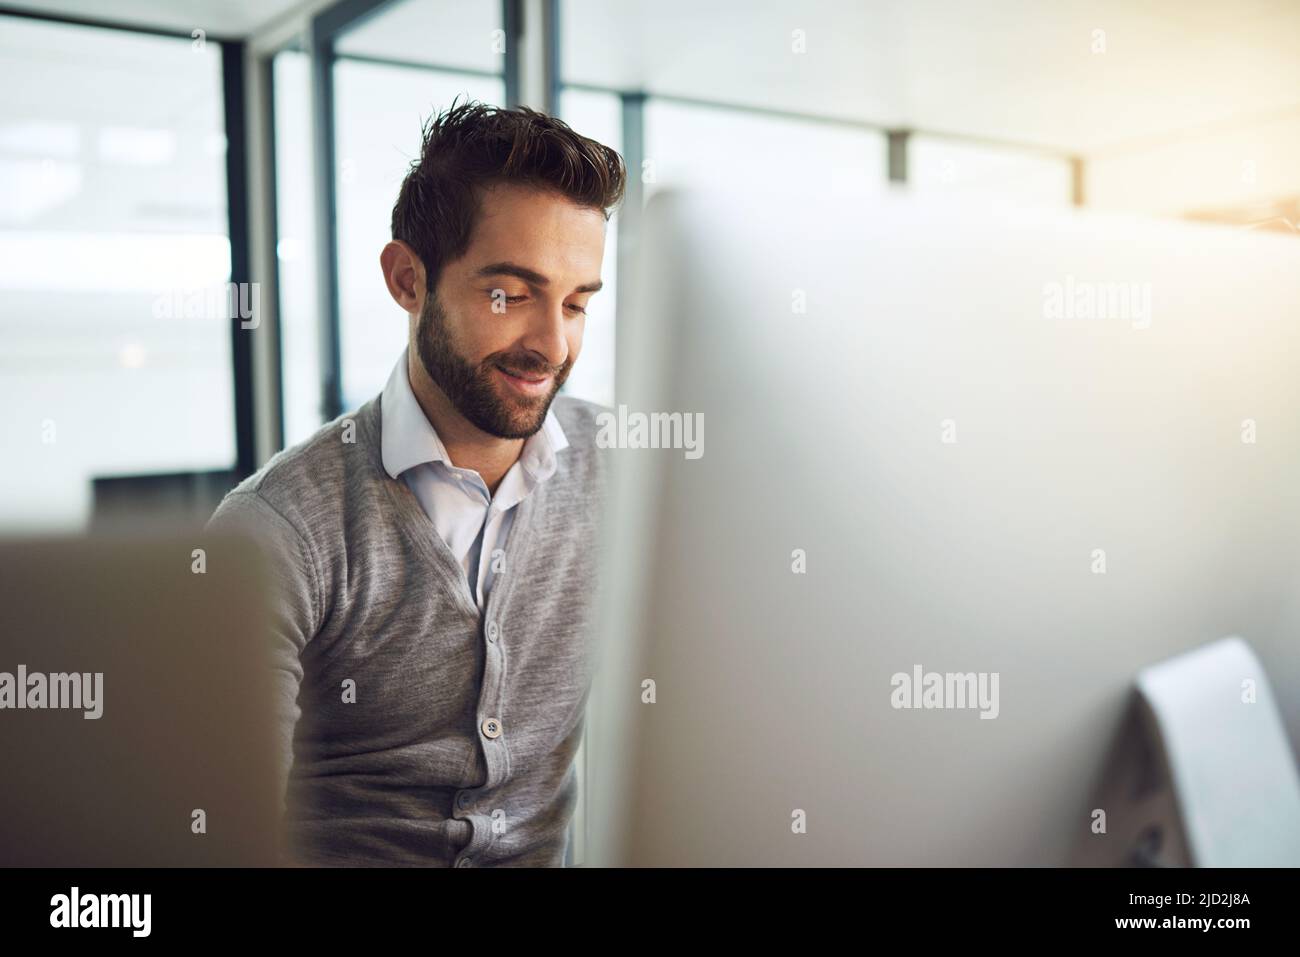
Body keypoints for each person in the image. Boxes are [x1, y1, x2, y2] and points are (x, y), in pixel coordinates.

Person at [207, 99, 625, 867]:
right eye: (512, 294)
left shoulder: (625, 471)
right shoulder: (278, 529)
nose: (552, 344)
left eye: (575, 303)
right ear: (408, 279)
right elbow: (218, 828)